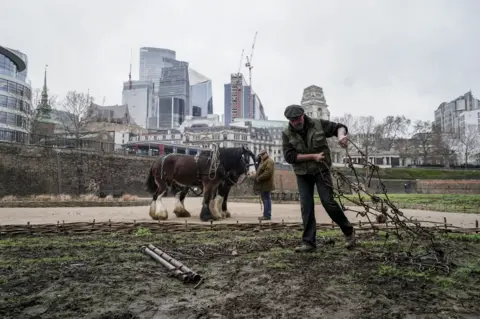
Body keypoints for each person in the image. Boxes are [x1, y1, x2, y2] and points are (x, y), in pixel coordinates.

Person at [281, 104, 357, 252]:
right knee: (306, 206)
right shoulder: (286, 133)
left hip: (321, 170)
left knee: (328, 202)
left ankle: (349, 232)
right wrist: (312, 156)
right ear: (289, 120)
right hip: (302, 174)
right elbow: (289, 157)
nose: (296, 122)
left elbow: (339, 127)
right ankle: (308, 242)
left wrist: (341, 136)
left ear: (303, 115)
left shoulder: (318, 124)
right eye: (292, 120)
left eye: (297, 118)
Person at [254, 149, 275, 221]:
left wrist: (258, 178)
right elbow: (260, 172)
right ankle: (265, 214)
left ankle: (267, 215)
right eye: (261, 155)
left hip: (266, 185)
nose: (261, 156)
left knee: (266, 199)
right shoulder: (263, 162)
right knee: (265, 199)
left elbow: (268, 173)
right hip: (263, 185)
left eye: (263, 154)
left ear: (266, 153)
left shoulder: (269, 161)